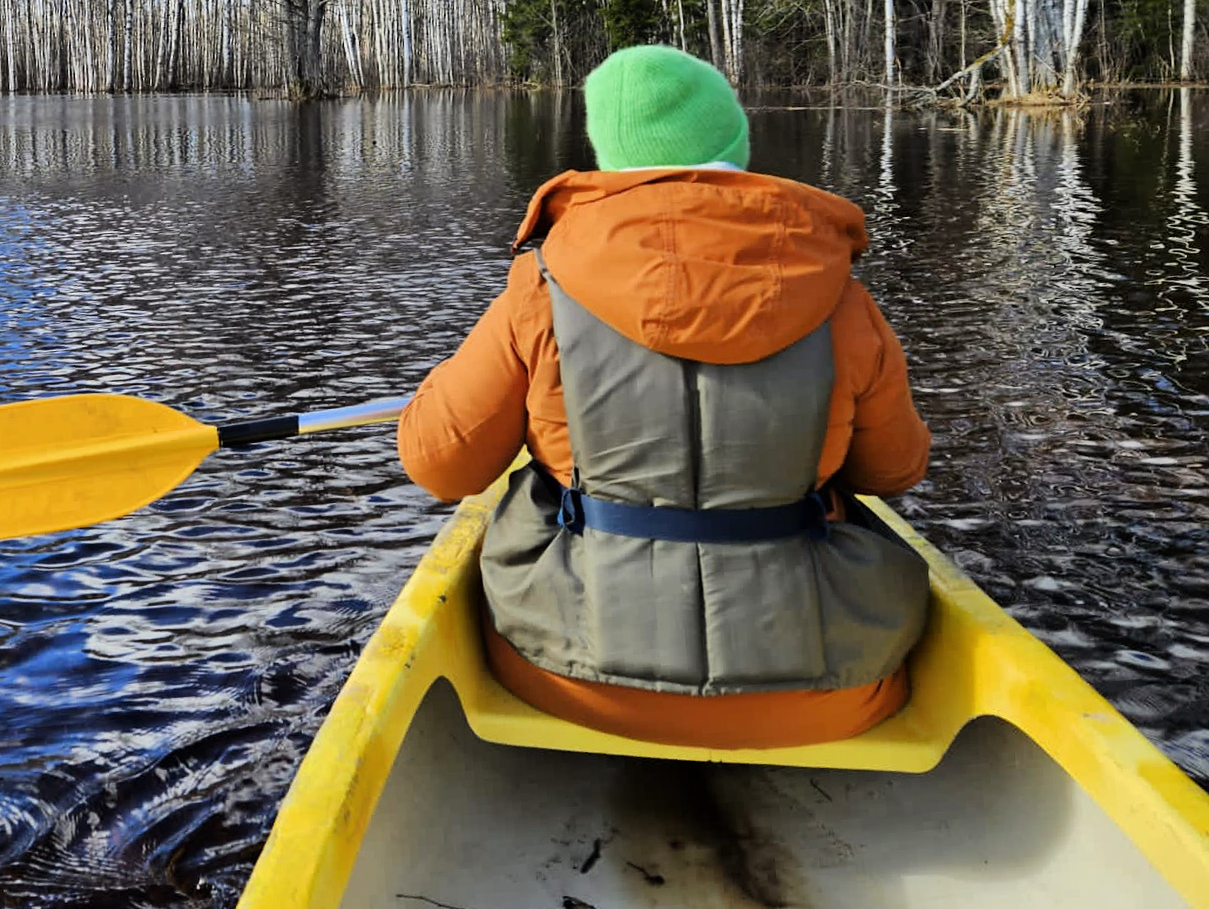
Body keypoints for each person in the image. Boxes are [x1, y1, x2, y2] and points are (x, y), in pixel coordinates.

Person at [398, 45, 932, 748]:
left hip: (573, 682)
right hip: (823, 690)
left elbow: (439, 467)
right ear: (734, 145)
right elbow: (894, 472)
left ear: (609, 155)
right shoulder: (841, 297)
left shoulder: (540, 289)